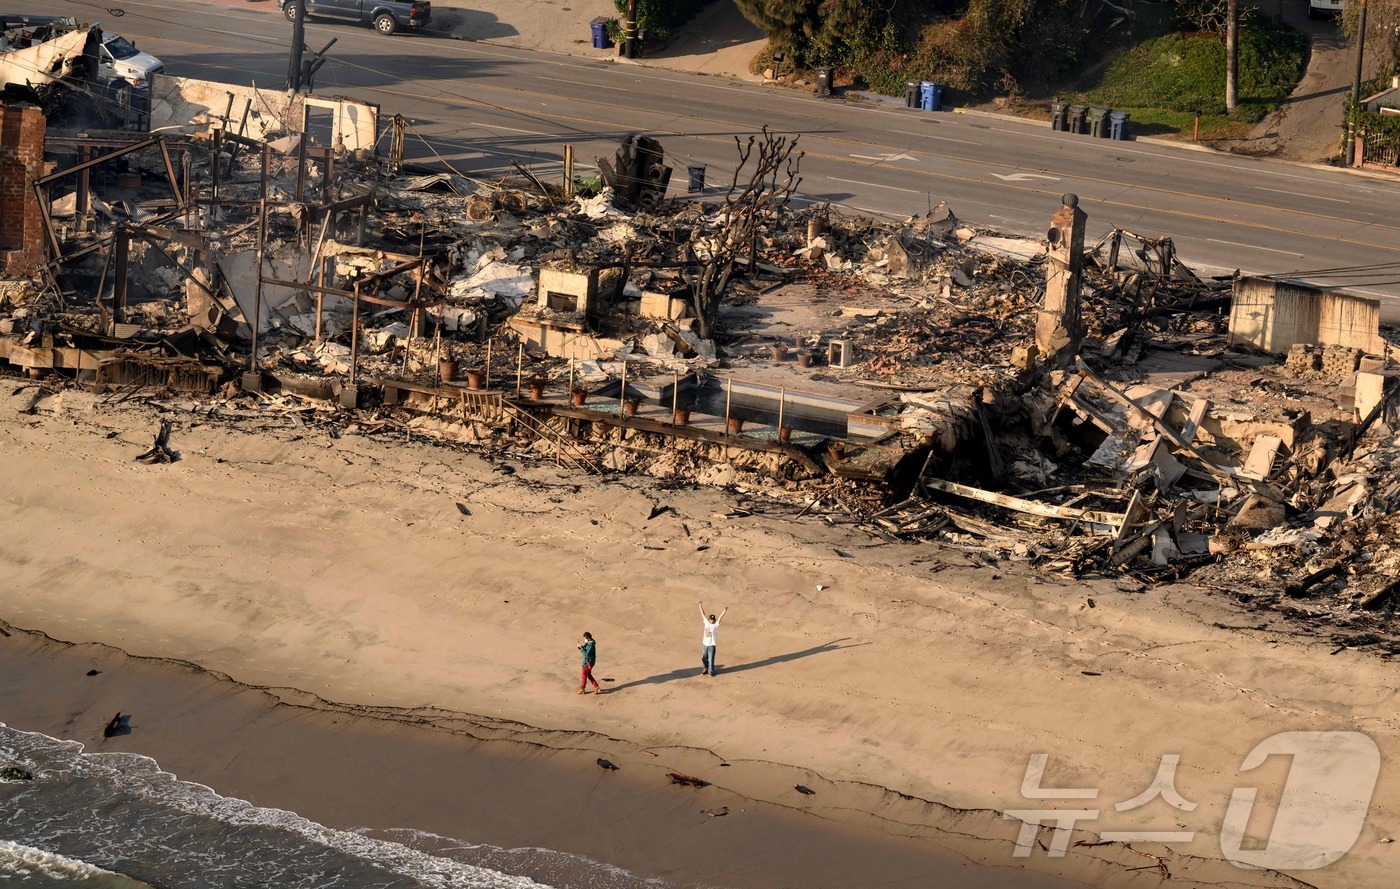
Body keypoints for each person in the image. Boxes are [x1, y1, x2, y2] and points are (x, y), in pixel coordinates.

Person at [698, 602, 727, 676]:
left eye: (713, 619)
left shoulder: (716, 625)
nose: (712, 620)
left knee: (711, 659)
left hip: (712, 645)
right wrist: (700, 606)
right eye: (711, 619)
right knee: (704, 658)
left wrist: (724, 610)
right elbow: (703, 614)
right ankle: (705, 668)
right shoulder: (706, 623)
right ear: (709, 619)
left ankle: (711, 671)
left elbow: (720, 617)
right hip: (705, 644)